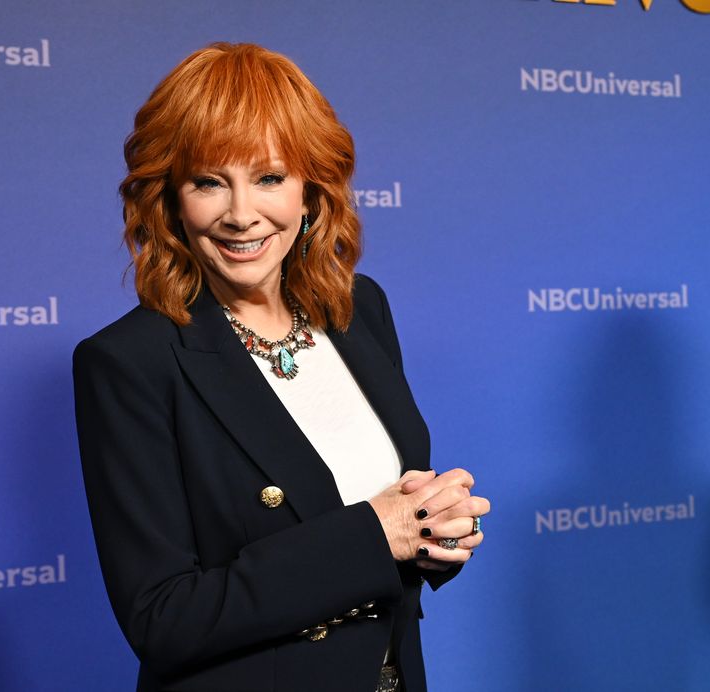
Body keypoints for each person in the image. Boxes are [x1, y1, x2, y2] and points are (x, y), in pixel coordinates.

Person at [73, 42, 490, 692]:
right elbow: (163, 618)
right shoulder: (131, 362)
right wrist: (374, 536)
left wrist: (435, 530)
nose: (242, 214)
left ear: (310, 188)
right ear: (171, 200)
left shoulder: (359, 309)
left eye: (269, 177)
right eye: (209, 181)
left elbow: (389, 524)